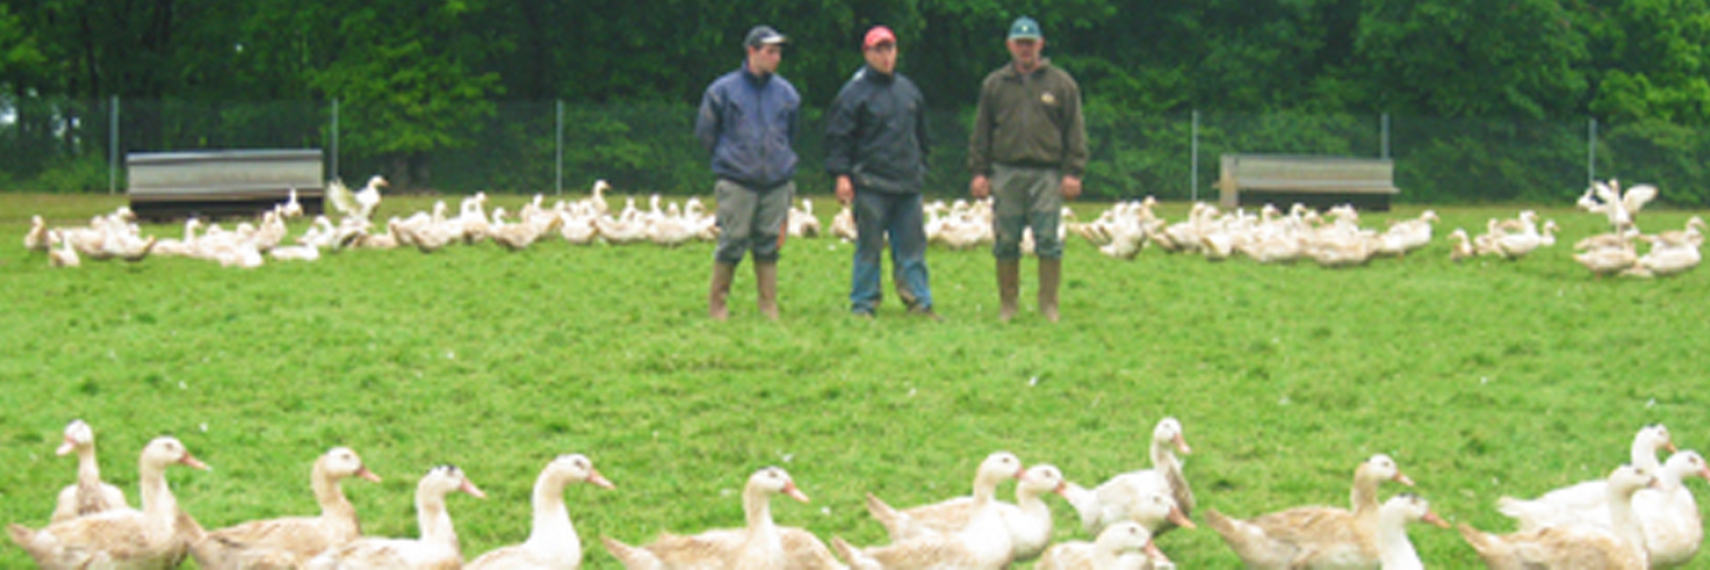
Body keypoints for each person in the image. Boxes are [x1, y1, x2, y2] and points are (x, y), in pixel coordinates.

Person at [967, 16, 1087, 322]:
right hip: (1005, 173)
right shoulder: (994, 85)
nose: (1025, 49)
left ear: (1040, 45)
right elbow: (981, 132)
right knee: (1006, 240)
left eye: (1030, 43)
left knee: (1048, 240)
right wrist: (979, 172)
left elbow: (1075, 131)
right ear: (1009, 45)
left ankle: (1049, 304)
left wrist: (1073, 171)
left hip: (1047, 174)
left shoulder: (1061, 84)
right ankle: (1009, 304)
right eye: (1019, 43)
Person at [825, 25, 939, 320]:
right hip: (870, 185)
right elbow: (839, 138)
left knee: (912, 251)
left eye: (889, 48)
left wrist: (921, 168)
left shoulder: (909, 91)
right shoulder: (853, 94)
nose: (885, 55)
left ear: (896, 51)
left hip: (908, 186)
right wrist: (841, 175)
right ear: (867, 53)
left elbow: (923, 136)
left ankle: (919, 302)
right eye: (878, 49)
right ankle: (864, 304)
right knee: (868, 248)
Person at [696, 25, 800, 320]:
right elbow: (706, 134)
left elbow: (791, 134)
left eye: (779, 51)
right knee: (733, 240)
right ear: (751, 52)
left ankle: (768, 305)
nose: (776, 57)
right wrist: (730, 161)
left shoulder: (788, 94)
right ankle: (718, 304)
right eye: (769, 51)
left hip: (777, 181)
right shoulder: (722, 91)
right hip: (737, 180)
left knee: (769, 243)